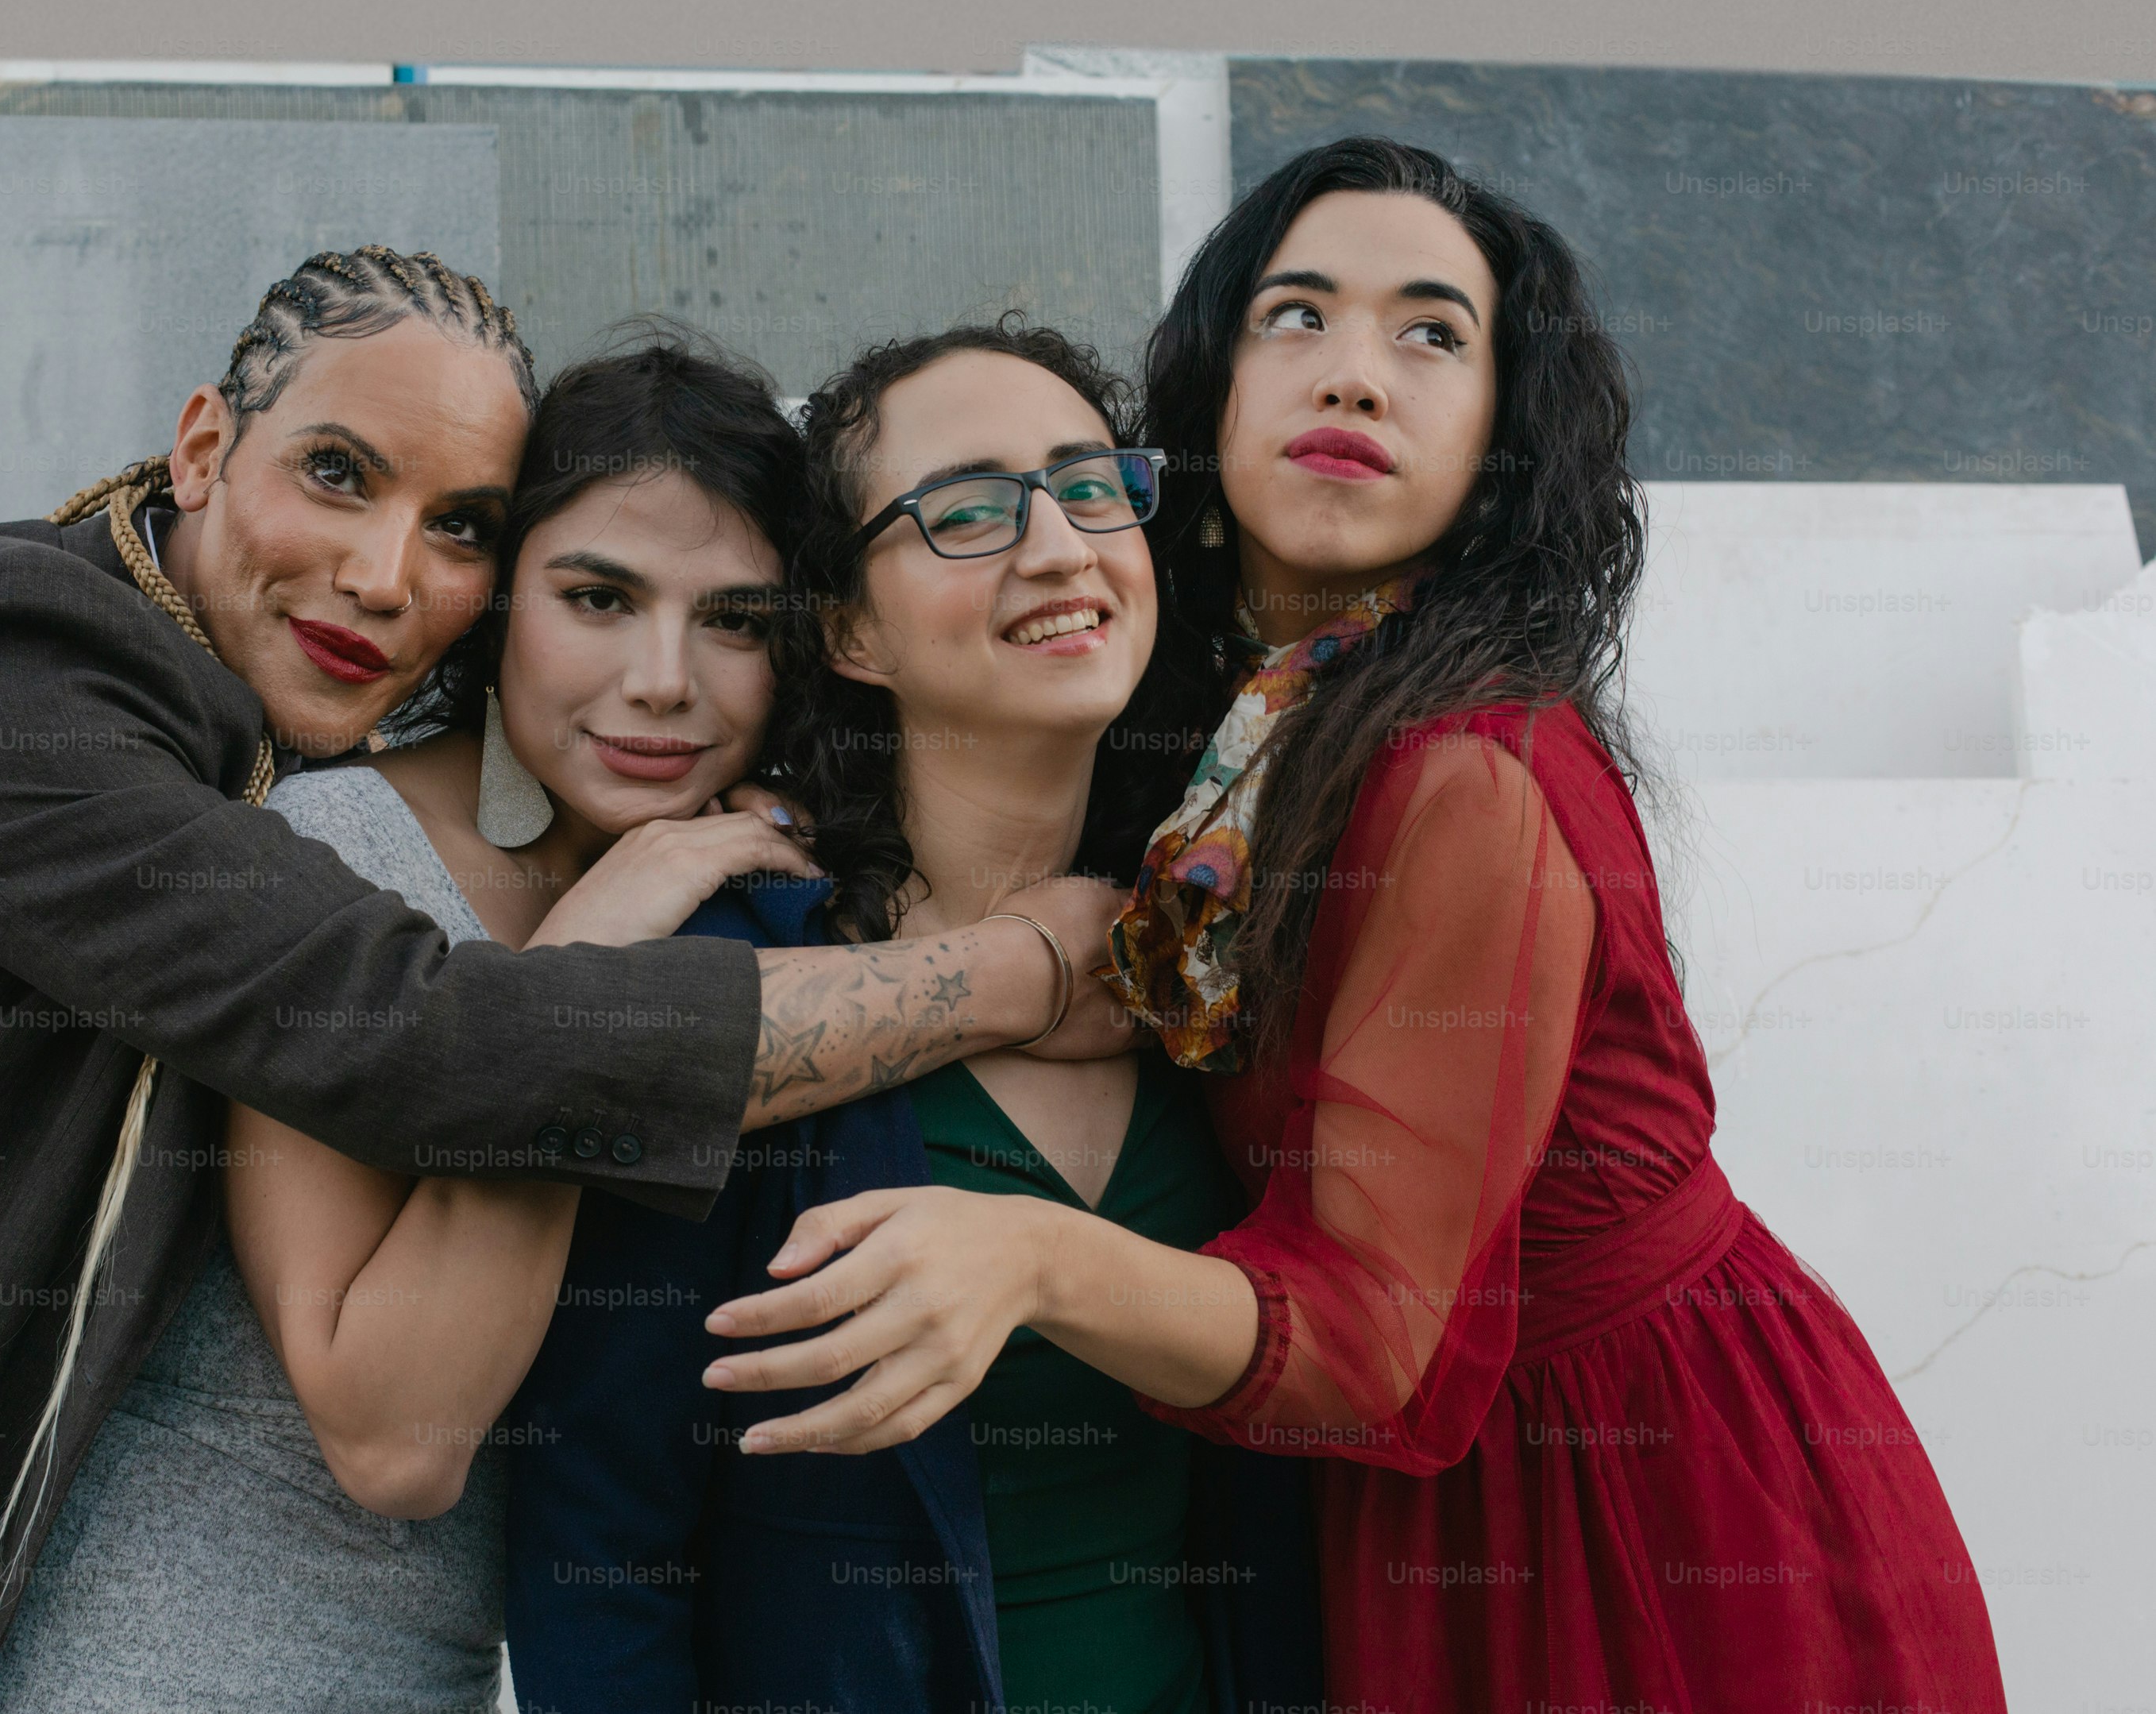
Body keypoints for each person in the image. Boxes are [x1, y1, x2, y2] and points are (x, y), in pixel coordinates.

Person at [0, 249, 1129, 1712]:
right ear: (205, 442)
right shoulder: (26, 675)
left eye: (454, 527)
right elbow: (427, 1095)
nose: (384, 576)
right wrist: (1025, 961)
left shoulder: (376, 800)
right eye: (340, 477)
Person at [696, 142, 2009, 1712]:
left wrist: (1036, 1255)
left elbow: (1374, 1336)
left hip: (1636, 1511)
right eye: (1297, 315)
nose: (1358, 377)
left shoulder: (1463, 772)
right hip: (1406, 1514)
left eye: (1432, 334)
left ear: (1497, 442)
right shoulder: (1229, 742)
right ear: (1211, 394)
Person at [0, 329, 812, 1711]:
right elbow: (396, 1439)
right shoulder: (344, 845)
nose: (667, 678)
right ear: (495, 607)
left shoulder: (734, 880)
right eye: (598, 597)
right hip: (175, 1666)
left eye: (736, 620)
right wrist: (592, 957)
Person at [506, 319, 1322, 1714]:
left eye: (1089, 486)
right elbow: (597, 1554)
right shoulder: (738, 972)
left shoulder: (1205, 952)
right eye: (967, 511)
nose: (1060, 546)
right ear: (849, 630)